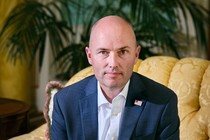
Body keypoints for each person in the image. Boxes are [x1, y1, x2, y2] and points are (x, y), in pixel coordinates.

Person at [50, 15, 180, 140]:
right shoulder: (65, 102)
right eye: (103, 52)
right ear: (89, 56)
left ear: (136, 55)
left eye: (123, 52)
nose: (113, 63)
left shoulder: (163, 103)